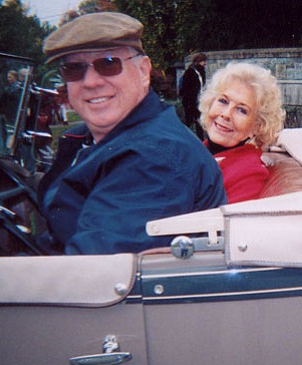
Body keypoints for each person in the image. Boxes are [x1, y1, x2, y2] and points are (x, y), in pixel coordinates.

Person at [38, 12, 226, 254]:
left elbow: (91, 274)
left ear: (143, 71)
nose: (90, 82)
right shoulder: (100, 138)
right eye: (74, 69)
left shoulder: (152, 160)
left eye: (108, 63)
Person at [198, 62, 285, 203]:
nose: (226, 114)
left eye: (241, 110)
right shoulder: (199, 150)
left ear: (256, 127)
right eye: (223, 101)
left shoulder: (249, 173)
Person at [180, 53, 207, 139]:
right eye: (203, 61)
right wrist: (190, 100)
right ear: (198, 61)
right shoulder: (190, 72)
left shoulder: (201, 71)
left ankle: (200, 138)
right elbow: (185, 87)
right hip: (190, 100)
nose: (205, 63)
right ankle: (184, 137)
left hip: (198, 99)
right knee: (189, 120)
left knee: (199, 121)